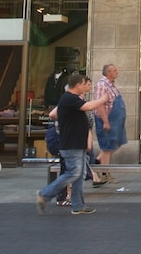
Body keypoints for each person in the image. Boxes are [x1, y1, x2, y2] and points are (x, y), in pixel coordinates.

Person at [36, 73, 109, 215]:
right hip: (71, 144)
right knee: (73, 173)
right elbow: (88, 106)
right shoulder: (69, 98)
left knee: (79, 175)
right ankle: (44, 194)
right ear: (78, 85)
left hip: (76, 142)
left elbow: (57, 115)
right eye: (84, 84)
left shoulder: (71, 99)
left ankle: (78, 205)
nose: (85, 87)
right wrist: (103, 99)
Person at [93, 64, 126, 182]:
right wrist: (105, 122)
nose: (117, 72)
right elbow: (99, 105)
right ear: (108, 73)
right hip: (107, 121)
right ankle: (105, 173)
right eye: (114, 70)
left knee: (117, 143)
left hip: (116, 122)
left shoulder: (111, 85)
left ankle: (97, 161)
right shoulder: (102, 85)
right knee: (107, 147)